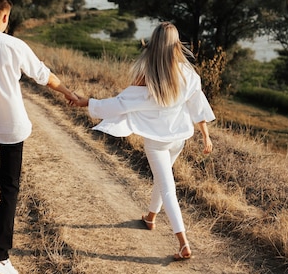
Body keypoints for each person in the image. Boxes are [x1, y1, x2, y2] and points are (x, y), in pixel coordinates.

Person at [0, 0, 78, 274]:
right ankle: (0, 257)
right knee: (9, 188)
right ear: (6, 18)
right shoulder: (15, 45)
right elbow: (44, 76)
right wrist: (69, 93)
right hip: (12, 127)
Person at [70, 22, 214, 261]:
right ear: (177, 45)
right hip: (179, 138)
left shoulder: (147, 77)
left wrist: (89, 102)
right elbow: (198, 106)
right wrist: (206, 135)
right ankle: (150, 217)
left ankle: (183, 243)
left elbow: (119, 104)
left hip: (157, 141)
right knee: (163, 178)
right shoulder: (188, 75)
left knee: (167, 187)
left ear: (154, 44)